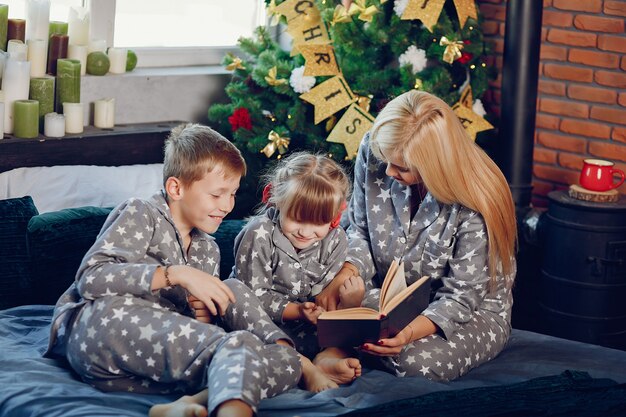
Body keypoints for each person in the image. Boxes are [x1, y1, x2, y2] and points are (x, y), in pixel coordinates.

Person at [45, 124, 333, 417]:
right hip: (102, 331)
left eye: (232, 194)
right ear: (176, 188)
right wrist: (177, 273)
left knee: (281, 359)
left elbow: (183, 331)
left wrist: (202, 316)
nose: (227, 206)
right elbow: (91, 279)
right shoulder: (141, 213)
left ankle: (194, 401)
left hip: (141, 370)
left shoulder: (207, 248)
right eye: (217, 194)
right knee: (236, 346)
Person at [316, 90, 517, 381]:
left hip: (467, 314)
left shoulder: (478, 199)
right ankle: (341, 345)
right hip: (387, 301)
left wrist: (407, 334)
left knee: (414, 364)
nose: (386, 171)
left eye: (402, 167)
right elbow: (359, 231)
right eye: (385, 159)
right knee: (318, 304)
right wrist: (344, 274)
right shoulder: (378, 147)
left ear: (435, 166)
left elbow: (461, 298)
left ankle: (338, 350)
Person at [230, 152, 363, 385]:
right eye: (297, 219)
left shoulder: (336, 239)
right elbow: (253, 296)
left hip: (305, 327)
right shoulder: (259, 233)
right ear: (278, 201)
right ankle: (302, 365)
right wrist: (298, 311)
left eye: (319, 223)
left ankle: (325, 359)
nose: (305, 232)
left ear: (334, 216)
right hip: (260, 323)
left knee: (370, 308)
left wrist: (347, 303)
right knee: (233, 295)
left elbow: (323, 296)